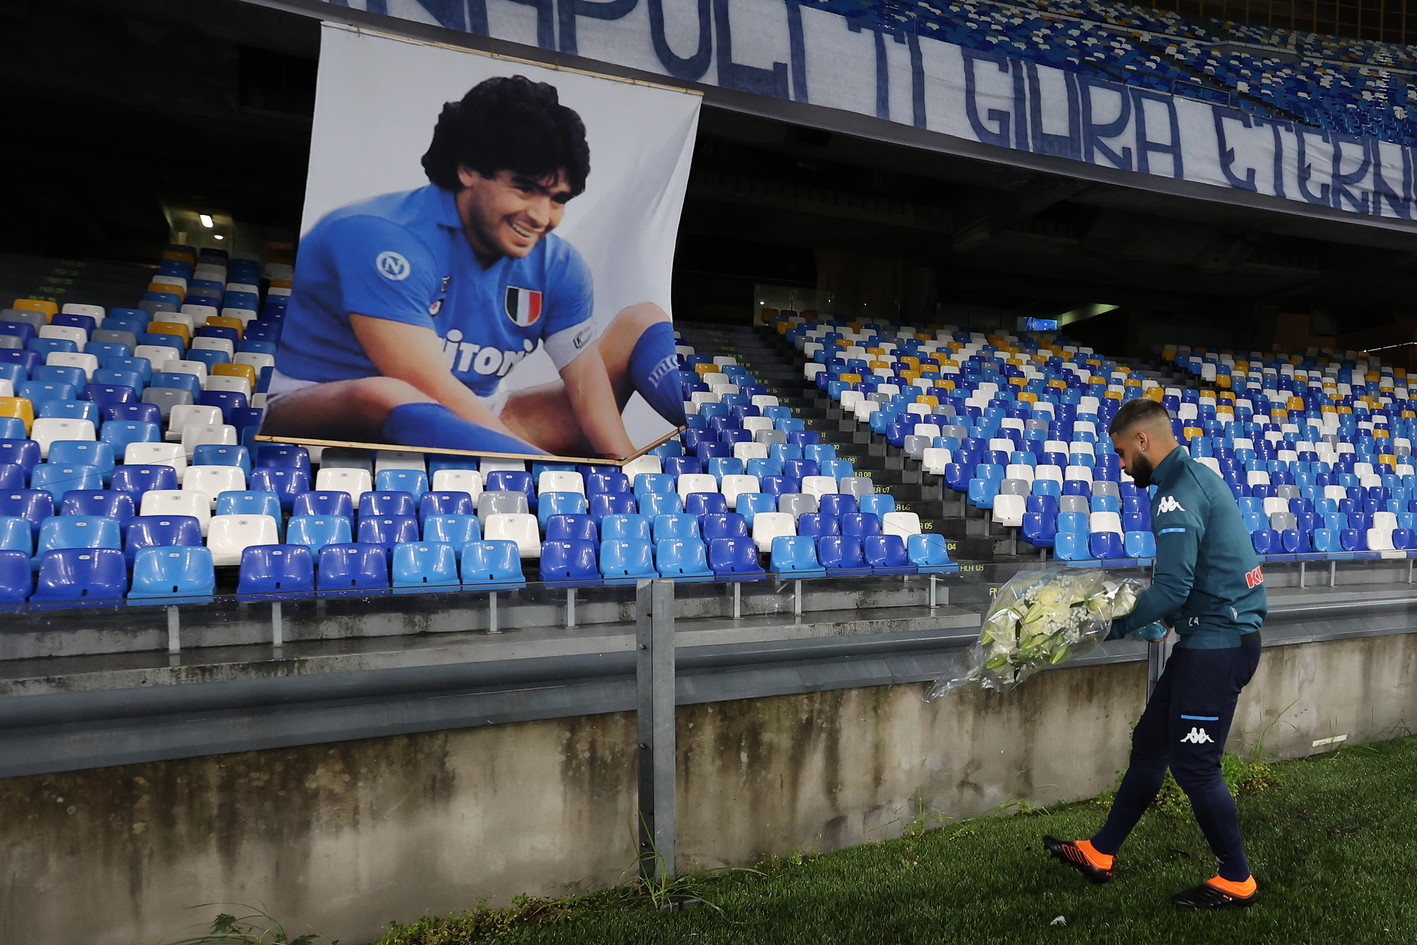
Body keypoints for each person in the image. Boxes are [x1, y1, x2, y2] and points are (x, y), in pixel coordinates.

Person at [260, 75, 684, 459]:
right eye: (525, 188)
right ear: (467, 169)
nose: (541, 216)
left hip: (473, 414)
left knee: (639, 320)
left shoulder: (559, 264)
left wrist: (627, 469)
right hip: (321, 413)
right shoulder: (380, 235)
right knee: (388, 393)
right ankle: (517, 463)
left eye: (558, 199)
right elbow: (430, 389)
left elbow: (587, 387)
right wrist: (543, 471)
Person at [1043, 397, 1266, 909]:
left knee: (1195, 766)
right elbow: (1198, 577)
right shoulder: (1196, 477)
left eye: (1122, 454)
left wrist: (1111, 626)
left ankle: (1237, 879)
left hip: (1219, 644)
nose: (1121, 466)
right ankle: (1101, 852)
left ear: (1143, 441)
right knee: (1150, 745)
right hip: (1209, 636)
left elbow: (1170, 588)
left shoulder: (1173, 496)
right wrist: (1166, 616)